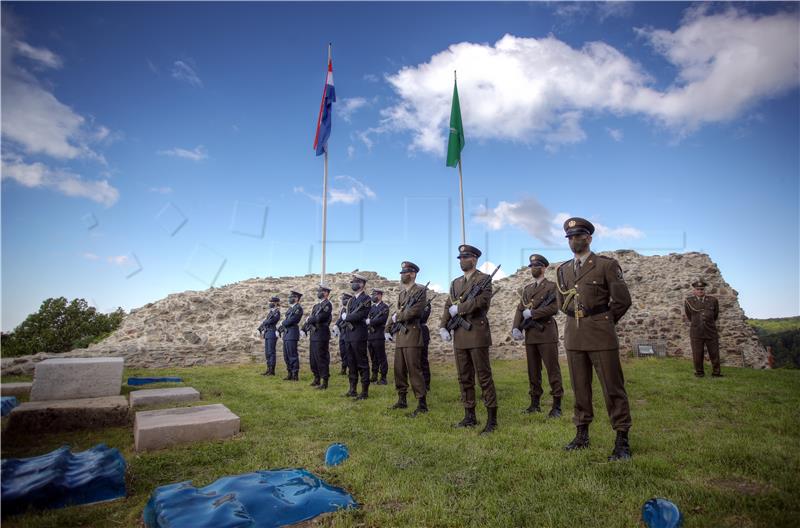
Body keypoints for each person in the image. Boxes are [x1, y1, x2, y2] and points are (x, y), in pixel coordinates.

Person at [555, 217, 633, 461]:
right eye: (570, 237)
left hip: (601, 334)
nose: (574, 241)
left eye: (578, 236)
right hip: (574, 335)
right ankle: (582, 434)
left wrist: (604, 321)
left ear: (589, 238)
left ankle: (622, 440)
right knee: (580, 387)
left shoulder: (605, 265)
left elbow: (622, 300)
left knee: (612, 387)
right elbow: (561, 303)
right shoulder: (563, 270)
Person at [439, 244, 499, 434]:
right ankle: (469, 415)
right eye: (460, 258)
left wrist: (461, 309)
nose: (462, 261)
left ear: (474, 259)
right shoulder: (455, 283)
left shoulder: (484, 280)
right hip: (460, 335)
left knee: (483, 376)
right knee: (464, 377)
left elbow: (482, 303)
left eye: (465, 257)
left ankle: (492, 419)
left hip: (476, 333)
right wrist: (443, 326)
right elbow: (448, 304)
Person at [511, 254, 563, 417]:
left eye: (536, 266)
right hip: (531, 334)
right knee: (533, 370)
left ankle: (557, 405)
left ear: (544, 268)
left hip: (546, 333)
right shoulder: (527, 289)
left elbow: (555, 308)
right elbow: (520, 309)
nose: (533, 268)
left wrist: (533, 313)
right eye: (531, 266)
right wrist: (516, 327)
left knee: (552, 370)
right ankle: (535, 403)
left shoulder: (552, 286)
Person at [387, 261, 428, 417]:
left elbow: (415, 312)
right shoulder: (402, 293)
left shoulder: (420, 291)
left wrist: (398, 318)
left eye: (405, 272)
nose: (402, 275)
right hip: (401, 337)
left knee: (414, 370)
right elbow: (397, 313)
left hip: (412, 334)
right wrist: (388, 327)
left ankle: (422, 403)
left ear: (412, 274)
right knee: (399, 369)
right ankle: (402, 399)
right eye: (402, 272)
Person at [342, 273, 372, 399]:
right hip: (349, 335)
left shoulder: (366, 299)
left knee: (362, 363)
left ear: (362, 284)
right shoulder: (351, 300)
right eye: (353, 281)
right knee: (351, 362)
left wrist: (347, 317)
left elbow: (361, 315)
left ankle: (364, 391)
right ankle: (352, 389)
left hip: (359, 335)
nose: (353, 283)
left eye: (356, 281)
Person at [684, 279, 722, 377]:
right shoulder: (689, 301)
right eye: (698, 289)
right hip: (696, 331)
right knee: (697, 354)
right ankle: (699, 373)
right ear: (694, 290)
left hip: (711, 331)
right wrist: (698, 323)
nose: (700, 291)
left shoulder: (713, 300)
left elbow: (715, 315)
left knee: (714, 353)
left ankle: (716, 373)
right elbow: (689, 316)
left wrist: (708, 322)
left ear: (704, 290)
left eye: (702, 289)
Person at [306, 284, 333, 389]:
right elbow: (313, 317)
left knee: (321, 357)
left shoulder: (328, 305)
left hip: (322, 334)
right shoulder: (316, 306)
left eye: (321, 291)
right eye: (318, 291)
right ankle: (316, 377)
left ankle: (324, 381)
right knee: (313, 358)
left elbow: (320, 318)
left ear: (326, 293)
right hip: (313, 335)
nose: (318, 292)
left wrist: (310, 319)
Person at [279, 290, 303, 381]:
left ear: (296, 298)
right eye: (289, 297)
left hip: (292, 333)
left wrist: (282, 322)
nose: (289, 299)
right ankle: (289, 372)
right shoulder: (290, 309)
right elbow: (287, 320)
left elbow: (292, 320)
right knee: (286, 355)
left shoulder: (298, 308)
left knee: (292, 355)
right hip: (286, 333)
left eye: (291, 297)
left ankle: (295, 374)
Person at [367, 289, 389, 385]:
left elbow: (382, 319)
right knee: (373, 357)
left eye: (374, 294)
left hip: (379, 335)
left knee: (381, 357)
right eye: (372, 294)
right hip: (370, 335)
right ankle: (374, 375)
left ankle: (383, 377)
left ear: (380, 295)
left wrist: (370, 322)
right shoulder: (371, 308)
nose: (373, 296)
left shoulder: (384, 307)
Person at [257, 296, 280, 376]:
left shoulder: (277, 312)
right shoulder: (270, 313)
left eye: (272, 302)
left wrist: (265, 321)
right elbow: (266, 322)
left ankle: (272, 370)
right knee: (267, 353)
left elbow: (271, 321)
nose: (270, 303)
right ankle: (268, 369)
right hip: (267, 333)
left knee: (271, 352)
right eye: (270, 302)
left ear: (276, 303)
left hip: (272, 333)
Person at [333, 293, 352, 376]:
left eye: (345, 299)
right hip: (342, 333)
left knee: (349, 352)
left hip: (349, 333)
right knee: (343, 351)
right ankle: (343, 368)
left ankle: (351, 369)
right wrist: (336, 325)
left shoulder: (351, 309)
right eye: (343, 299)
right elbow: (340, 319)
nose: (343, 301)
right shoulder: (343, 309)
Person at [420, 298, 432, 391]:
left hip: (422, 333)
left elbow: (422, 317)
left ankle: (426, 383)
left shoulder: (426, 305)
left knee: (423, 360)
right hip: (413, 334)